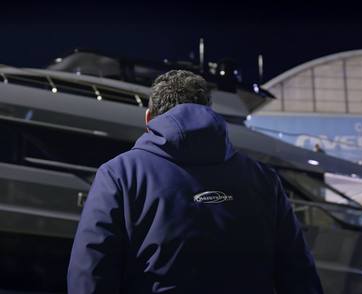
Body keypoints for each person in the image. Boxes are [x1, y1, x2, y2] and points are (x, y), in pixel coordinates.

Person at [67, 70, 323, 294]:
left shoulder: (118, 174)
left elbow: (91, 269)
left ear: (148, 119)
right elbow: (298, 272)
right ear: (208, 112)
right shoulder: (263, 179)